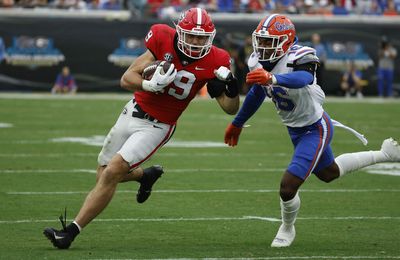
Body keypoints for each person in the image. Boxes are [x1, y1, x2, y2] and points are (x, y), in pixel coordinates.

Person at [43, 7, 239, 249]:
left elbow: (229, 108)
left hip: (159, 125)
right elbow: (127, 79)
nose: (197, 42)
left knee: (112, 171)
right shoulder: (161, 37)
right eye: (191, 35)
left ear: (210, 37)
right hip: (133, 110)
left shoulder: (217, 59)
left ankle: (69, 233)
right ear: (179, 32)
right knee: (103, 173)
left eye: (202, 37)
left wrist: (231, 89)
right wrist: (149, 84)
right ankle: (145, 175)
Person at [224, 14, 400, 248]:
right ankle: (384, 155)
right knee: (329, 173)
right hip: (295, 129)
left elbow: (303, 78)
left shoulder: (299, 55)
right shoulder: (257, 60)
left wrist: (273, 77)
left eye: (269, 42)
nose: (263, 47)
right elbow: (257, 92)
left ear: (286, 41)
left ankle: (287, 228)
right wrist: (238, 122)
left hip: (315, 128)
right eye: (261, 41)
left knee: (288, 186)